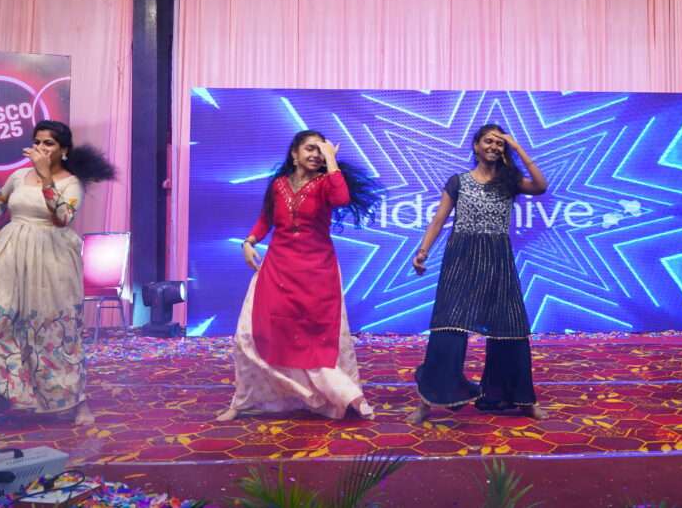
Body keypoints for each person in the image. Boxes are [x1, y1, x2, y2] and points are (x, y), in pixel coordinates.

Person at [0, 120, 116, 425]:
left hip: (51, 259)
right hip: (10, 255)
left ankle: (76, 401)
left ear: (64, 150)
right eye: (38, 142)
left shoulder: (71, 183)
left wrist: (46, 177)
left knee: (52, 332)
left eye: (49, 143)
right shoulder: (18, 176)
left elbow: (62, 218)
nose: (41, 148)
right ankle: (1, 394)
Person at [216, 130, 379, 422]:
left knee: (316, 340)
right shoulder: (278, 185)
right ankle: (243, 400)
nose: (316, 154)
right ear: (294, 154)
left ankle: (338, 396)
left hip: (317, 272)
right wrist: (249, 242)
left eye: (321, 150)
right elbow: (266, 219)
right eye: (310, 149)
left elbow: (341, 198)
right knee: (250, 334)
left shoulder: (326, 183)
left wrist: (331, 160)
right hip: (277, 268)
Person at [407, 124, 548, 424]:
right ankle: (427, 403)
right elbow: (439, 219)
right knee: (448, 327)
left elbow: (540, 186)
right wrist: (423, 251)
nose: (494, 146)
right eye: (489, 141)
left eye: (500, 143)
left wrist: (518, 148)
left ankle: (521, 399)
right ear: (476, 146)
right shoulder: (458, 181)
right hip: (461, 258)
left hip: (497, 259)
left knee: (510, 327)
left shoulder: (509, 181)